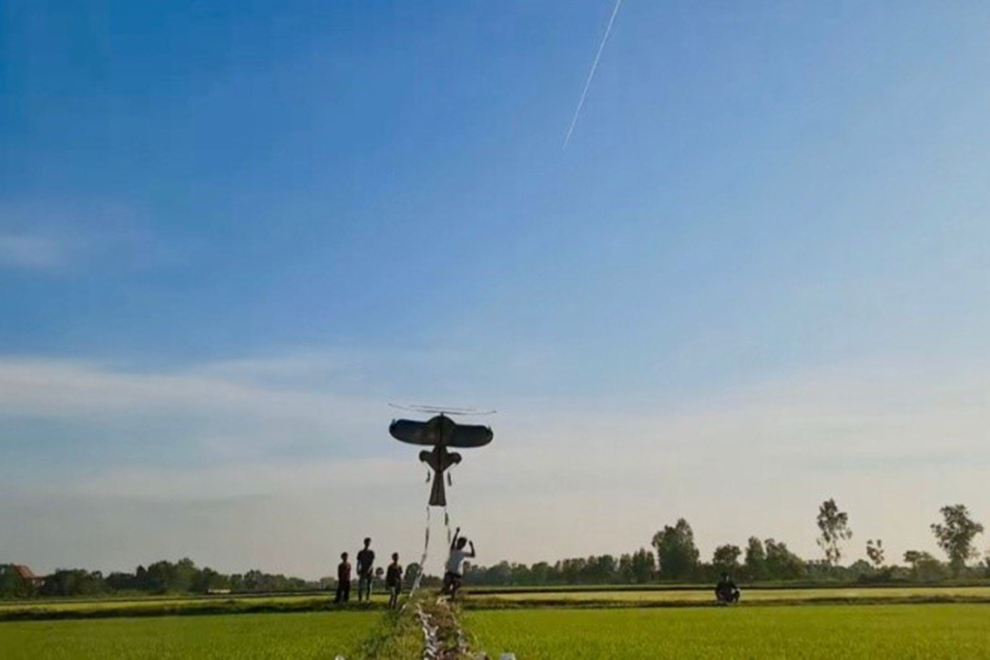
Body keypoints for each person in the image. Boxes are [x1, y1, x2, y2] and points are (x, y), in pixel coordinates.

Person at [442, 527, 475, 599]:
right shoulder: (453, 549)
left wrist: (472, 546)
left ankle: (453, 597)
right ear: (458, 543)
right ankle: (446, 590)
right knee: (447, 584)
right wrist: (456, 533)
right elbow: (453, 541)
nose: (461, 545)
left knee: (455, 588)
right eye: (460, 543)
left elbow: (473, 555)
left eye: (463, 544)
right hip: (450, 571)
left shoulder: (463, 553)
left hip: (457, 573)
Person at [356, 537, 375, 602]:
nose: (367, 544)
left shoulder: (371, 552)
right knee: (361, 585)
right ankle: (360, 598)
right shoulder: (361, 552)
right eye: (367, 542)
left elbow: (372, 562)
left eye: (369, 543)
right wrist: (357, 569)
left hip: (369, 571)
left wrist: (369, 569)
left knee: (369, 585)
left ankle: (367, 598)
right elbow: (358, 562)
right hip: (363, 570)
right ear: (364, 543)